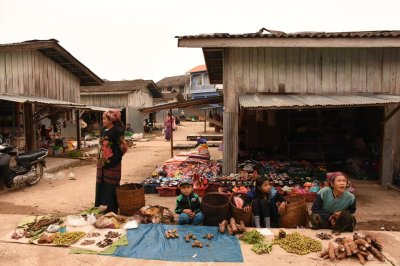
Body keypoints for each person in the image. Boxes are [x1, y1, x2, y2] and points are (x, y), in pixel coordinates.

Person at [95, 110, 128, 213]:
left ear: (111, 119)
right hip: (102, 163)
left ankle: (112, 208)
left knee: (111, 185)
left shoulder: (117, 131)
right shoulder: (103, 130)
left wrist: (116, 157)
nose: (103, 121)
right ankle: (103, 205)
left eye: (105, 119)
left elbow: (123, 147)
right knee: (103, 184)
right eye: (103, 119)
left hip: (113, 163)